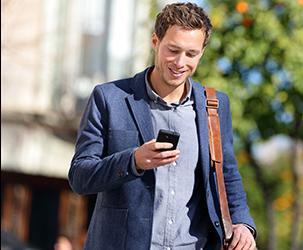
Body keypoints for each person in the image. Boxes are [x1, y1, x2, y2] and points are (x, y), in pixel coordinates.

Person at [68, 2, 256, 250]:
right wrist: (133, 161)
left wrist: (243, 224)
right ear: (155, 41)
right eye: (173, 50)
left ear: (202, 52)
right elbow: (80, 177)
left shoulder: (215, 105)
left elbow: (227, 174)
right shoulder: (109, 98)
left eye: (191, 54)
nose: (180, 62)